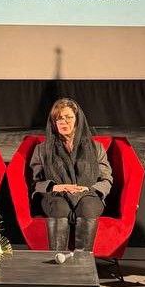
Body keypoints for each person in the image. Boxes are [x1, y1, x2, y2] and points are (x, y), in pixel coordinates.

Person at [30, 98, 112, 253]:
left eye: (68, 117)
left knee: (87, 206)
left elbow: (106, 179)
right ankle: (58, 259)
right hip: (56, 195)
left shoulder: (96, 148)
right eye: (59, 118)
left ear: (78, 120)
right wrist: (55, 187)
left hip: (89, 194)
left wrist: (89, 189)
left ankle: (82, 261)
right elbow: (36, 182)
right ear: (53, 122)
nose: (64, 122)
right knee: (59, 207)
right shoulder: (42, 150)